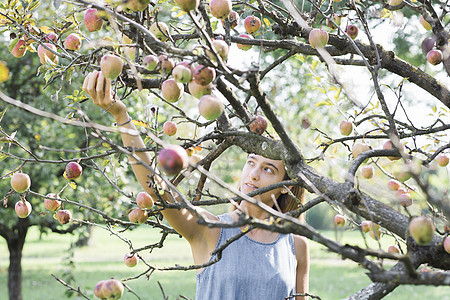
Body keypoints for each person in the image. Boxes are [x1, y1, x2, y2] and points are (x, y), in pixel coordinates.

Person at [83, 70, 310, 299]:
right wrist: (121, 115)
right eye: (251, 162)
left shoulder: (295, 245)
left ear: (285, 185)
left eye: (268, 169)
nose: (253, 175)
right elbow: (157, 189)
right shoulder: (210, 230)